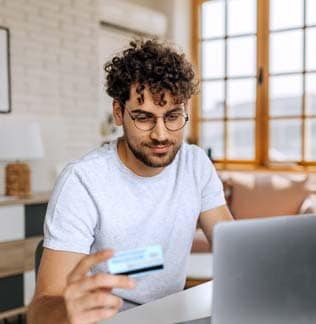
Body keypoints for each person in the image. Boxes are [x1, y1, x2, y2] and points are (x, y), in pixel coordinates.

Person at [28, 39, 233, 324]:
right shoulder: (83, 182)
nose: (161, 134)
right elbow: (40, 308)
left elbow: (234, 248)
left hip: (174, 317)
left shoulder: (195, 164)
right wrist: (67, 313)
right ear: (118, 112)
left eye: (173, 116)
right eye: (144, 118)